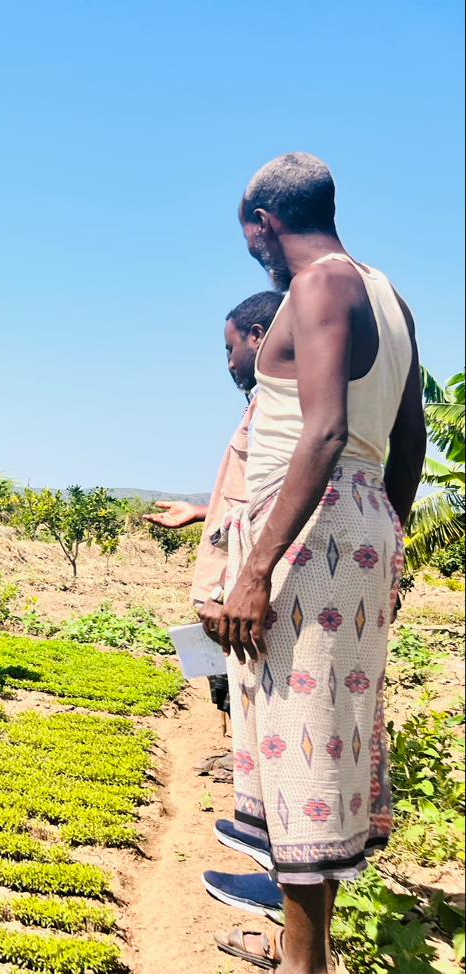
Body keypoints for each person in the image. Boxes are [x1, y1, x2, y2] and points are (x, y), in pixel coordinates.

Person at [203, 153, 425, 974]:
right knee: (327, 745)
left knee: (304, 747)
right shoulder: (388, 293)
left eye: (250, 236)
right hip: (360, 527)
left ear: (262, 221)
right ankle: (310, 950)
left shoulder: (320, 286)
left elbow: (324, 432)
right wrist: (389, 542)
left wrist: (258, 568)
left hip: (314, 535)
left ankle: (304, 966)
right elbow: (409, 440)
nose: (254, 252)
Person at [146, 289, 283, 712]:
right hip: (233, 584)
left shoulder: (279, 409)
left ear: (257, 336)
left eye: (230, 348)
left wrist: (227, 591)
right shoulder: (263, 404)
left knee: (247, 691)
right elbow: (258, 498)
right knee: (231, 689)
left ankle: (238, 772)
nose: (228, 362)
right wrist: (202, 512)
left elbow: (276, 504)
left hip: (239, 587)